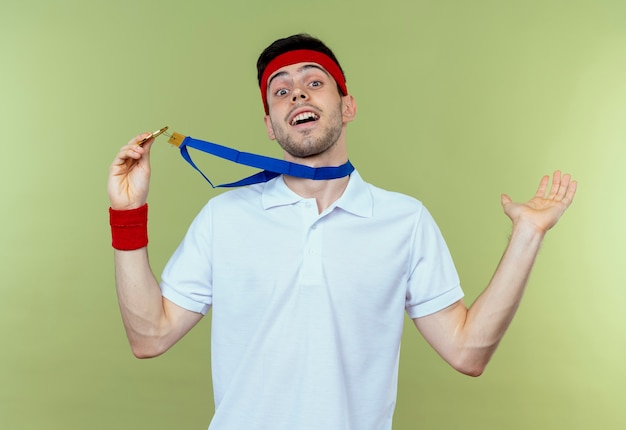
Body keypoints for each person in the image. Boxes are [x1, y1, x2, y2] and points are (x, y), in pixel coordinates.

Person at [107, 34, 577, 430]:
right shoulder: (223, 218)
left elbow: (468, 351)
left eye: (315, 82)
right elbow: (149, 337)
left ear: (347, 105)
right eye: (281, 91)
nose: (298, 95)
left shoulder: (404, 221)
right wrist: (127, 211)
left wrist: (528, 234)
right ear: (269, 125)